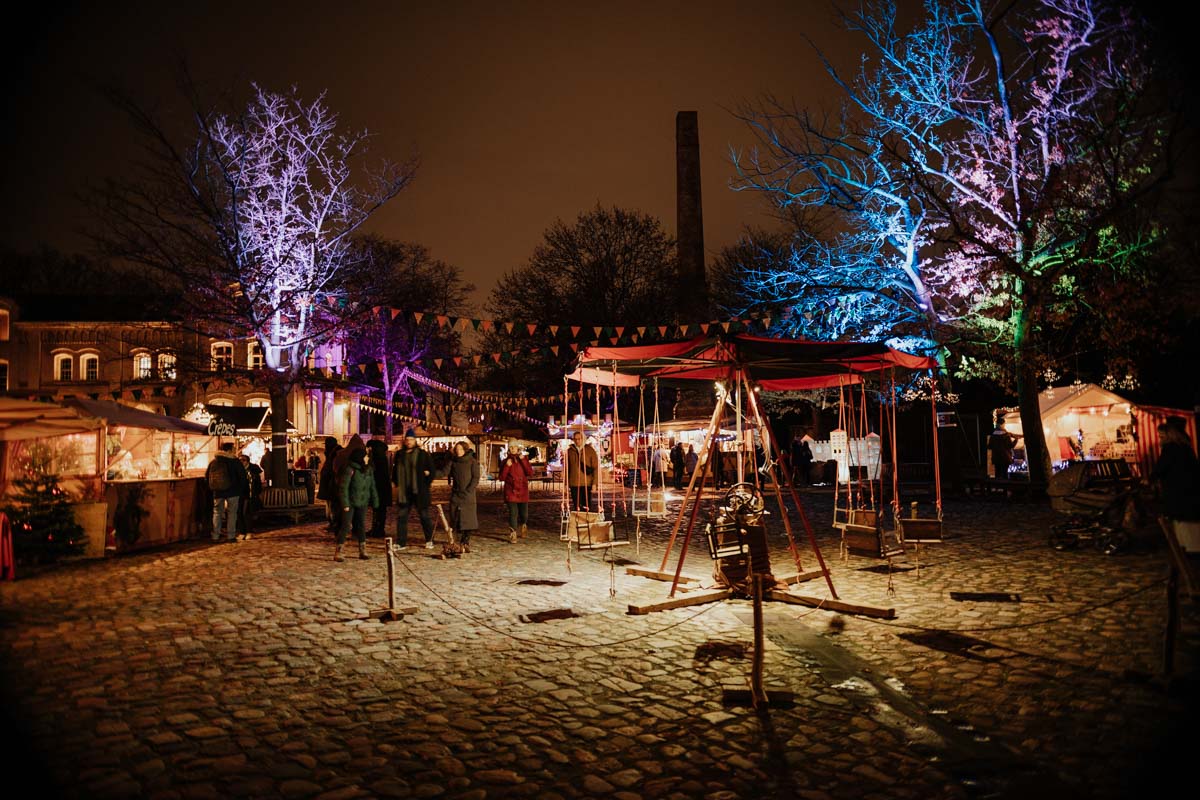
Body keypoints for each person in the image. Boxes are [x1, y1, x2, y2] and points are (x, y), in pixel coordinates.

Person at [1151, 421, 1200, 555]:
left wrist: (1150, 479)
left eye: (1161, 436)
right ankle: (1191, 550)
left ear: (1169, 435)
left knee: (1182, 522)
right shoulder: (1186, 447)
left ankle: (1187, 552)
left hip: (1178, 492)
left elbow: (1160, 468)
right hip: (1190, 491)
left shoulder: (1170, 448)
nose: (1160, 439)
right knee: (1190, 522)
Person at [392, 429, 436, 549]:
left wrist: (425, 483)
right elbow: (395, 471)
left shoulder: (422, 454)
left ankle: (429, 539)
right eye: (407, 440)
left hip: (419, 491)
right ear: (405, 441)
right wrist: (396, 482)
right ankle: (401, 542)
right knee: (402, 517)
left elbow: (431, 471)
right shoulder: (400, 454)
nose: (409, 442)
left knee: (424, 516)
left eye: (411, 439)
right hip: (404, 492)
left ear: (415, 440)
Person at [336, 448, 378, 562]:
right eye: (365, 456)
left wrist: (375, 500)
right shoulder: (350, 469)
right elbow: (343, 487)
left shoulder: (368, 469)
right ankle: (339, 550)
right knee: (345, 526)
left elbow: (372, 486)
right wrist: (345, 503)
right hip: (350, 502)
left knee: (361, 526)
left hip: (362, 501)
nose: (367, 458)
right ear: (360, 457)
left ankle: (362, 550)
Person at [206, 442, 248, 542]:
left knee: (217, 513)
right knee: (232, 513)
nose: (234, 450)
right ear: (229, 450)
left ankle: (215, 535)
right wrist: (242, 489)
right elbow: (242, 476)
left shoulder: (214, 461)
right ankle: (230, 535)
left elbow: (207, 476)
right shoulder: (234, 461)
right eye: (233, 448)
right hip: (233, 491)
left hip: (218, 492)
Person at [447, 441, 480, 550]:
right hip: (456, 494)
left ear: (465, 450)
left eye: (460, 449)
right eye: (456, 449)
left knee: (468, 519)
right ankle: (457, 541)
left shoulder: (472, 462)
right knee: (455, 517)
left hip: (468, 495)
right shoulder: (453, 461)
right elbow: (444, 471)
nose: (458, 451)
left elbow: (475, 477)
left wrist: (469, 490)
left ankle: (465, 541)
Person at [500, 439, 533, 543]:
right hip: (511, 491)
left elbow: (530, 472)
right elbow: (501, 477)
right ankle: (513, 533)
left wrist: (523, 460)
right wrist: (507, 466)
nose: (512, 449)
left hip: (522, 490)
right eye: (510, 447)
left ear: (518, 448)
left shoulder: (524, 459)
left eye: (514, 447)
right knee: (513, 513)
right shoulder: (505, 461)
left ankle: (524, 524)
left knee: (524, 514)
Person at [566, 430, 600, 511]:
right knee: (577, 506)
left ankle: (586, 522)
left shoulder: (590, 450)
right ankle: (578, 522)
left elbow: (595, 468)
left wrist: (595, 483)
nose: (577, 441)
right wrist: (566, 484)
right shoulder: (569, 451)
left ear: (583, 439)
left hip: (586, 483)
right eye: (575, 439)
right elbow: (567, 468)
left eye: (579, 439)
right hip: (574, 483)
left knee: (587, 506)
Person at [366, 439, 392, 538]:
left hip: (378, 489)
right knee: (379, 510)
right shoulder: (381, 456)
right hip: (382, 488)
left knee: (378, 510)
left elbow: (374, 473)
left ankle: (378, 530)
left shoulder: (376, 458)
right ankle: (377, 529)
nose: (367, 450)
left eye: (368, 448)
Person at [317, 441, 343, 532]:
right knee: (331, 506)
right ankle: (333, 523)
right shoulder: (331, 454)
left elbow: (333, 471)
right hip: (329, 486)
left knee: (335, 506)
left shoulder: (335, 455)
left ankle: (336, 524)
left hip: (332, 486)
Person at [237, 454, 263, 540]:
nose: (241, 462)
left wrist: (257, 493)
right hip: (240, 494)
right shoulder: (238, 470)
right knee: (239, 512)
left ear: (247, 461)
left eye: (243, 460)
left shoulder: (253, 469)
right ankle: (242, 532)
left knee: (247, 513)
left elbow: (258, 483)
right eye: (240, 460)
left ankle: (249, 531)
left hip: (251, 494)